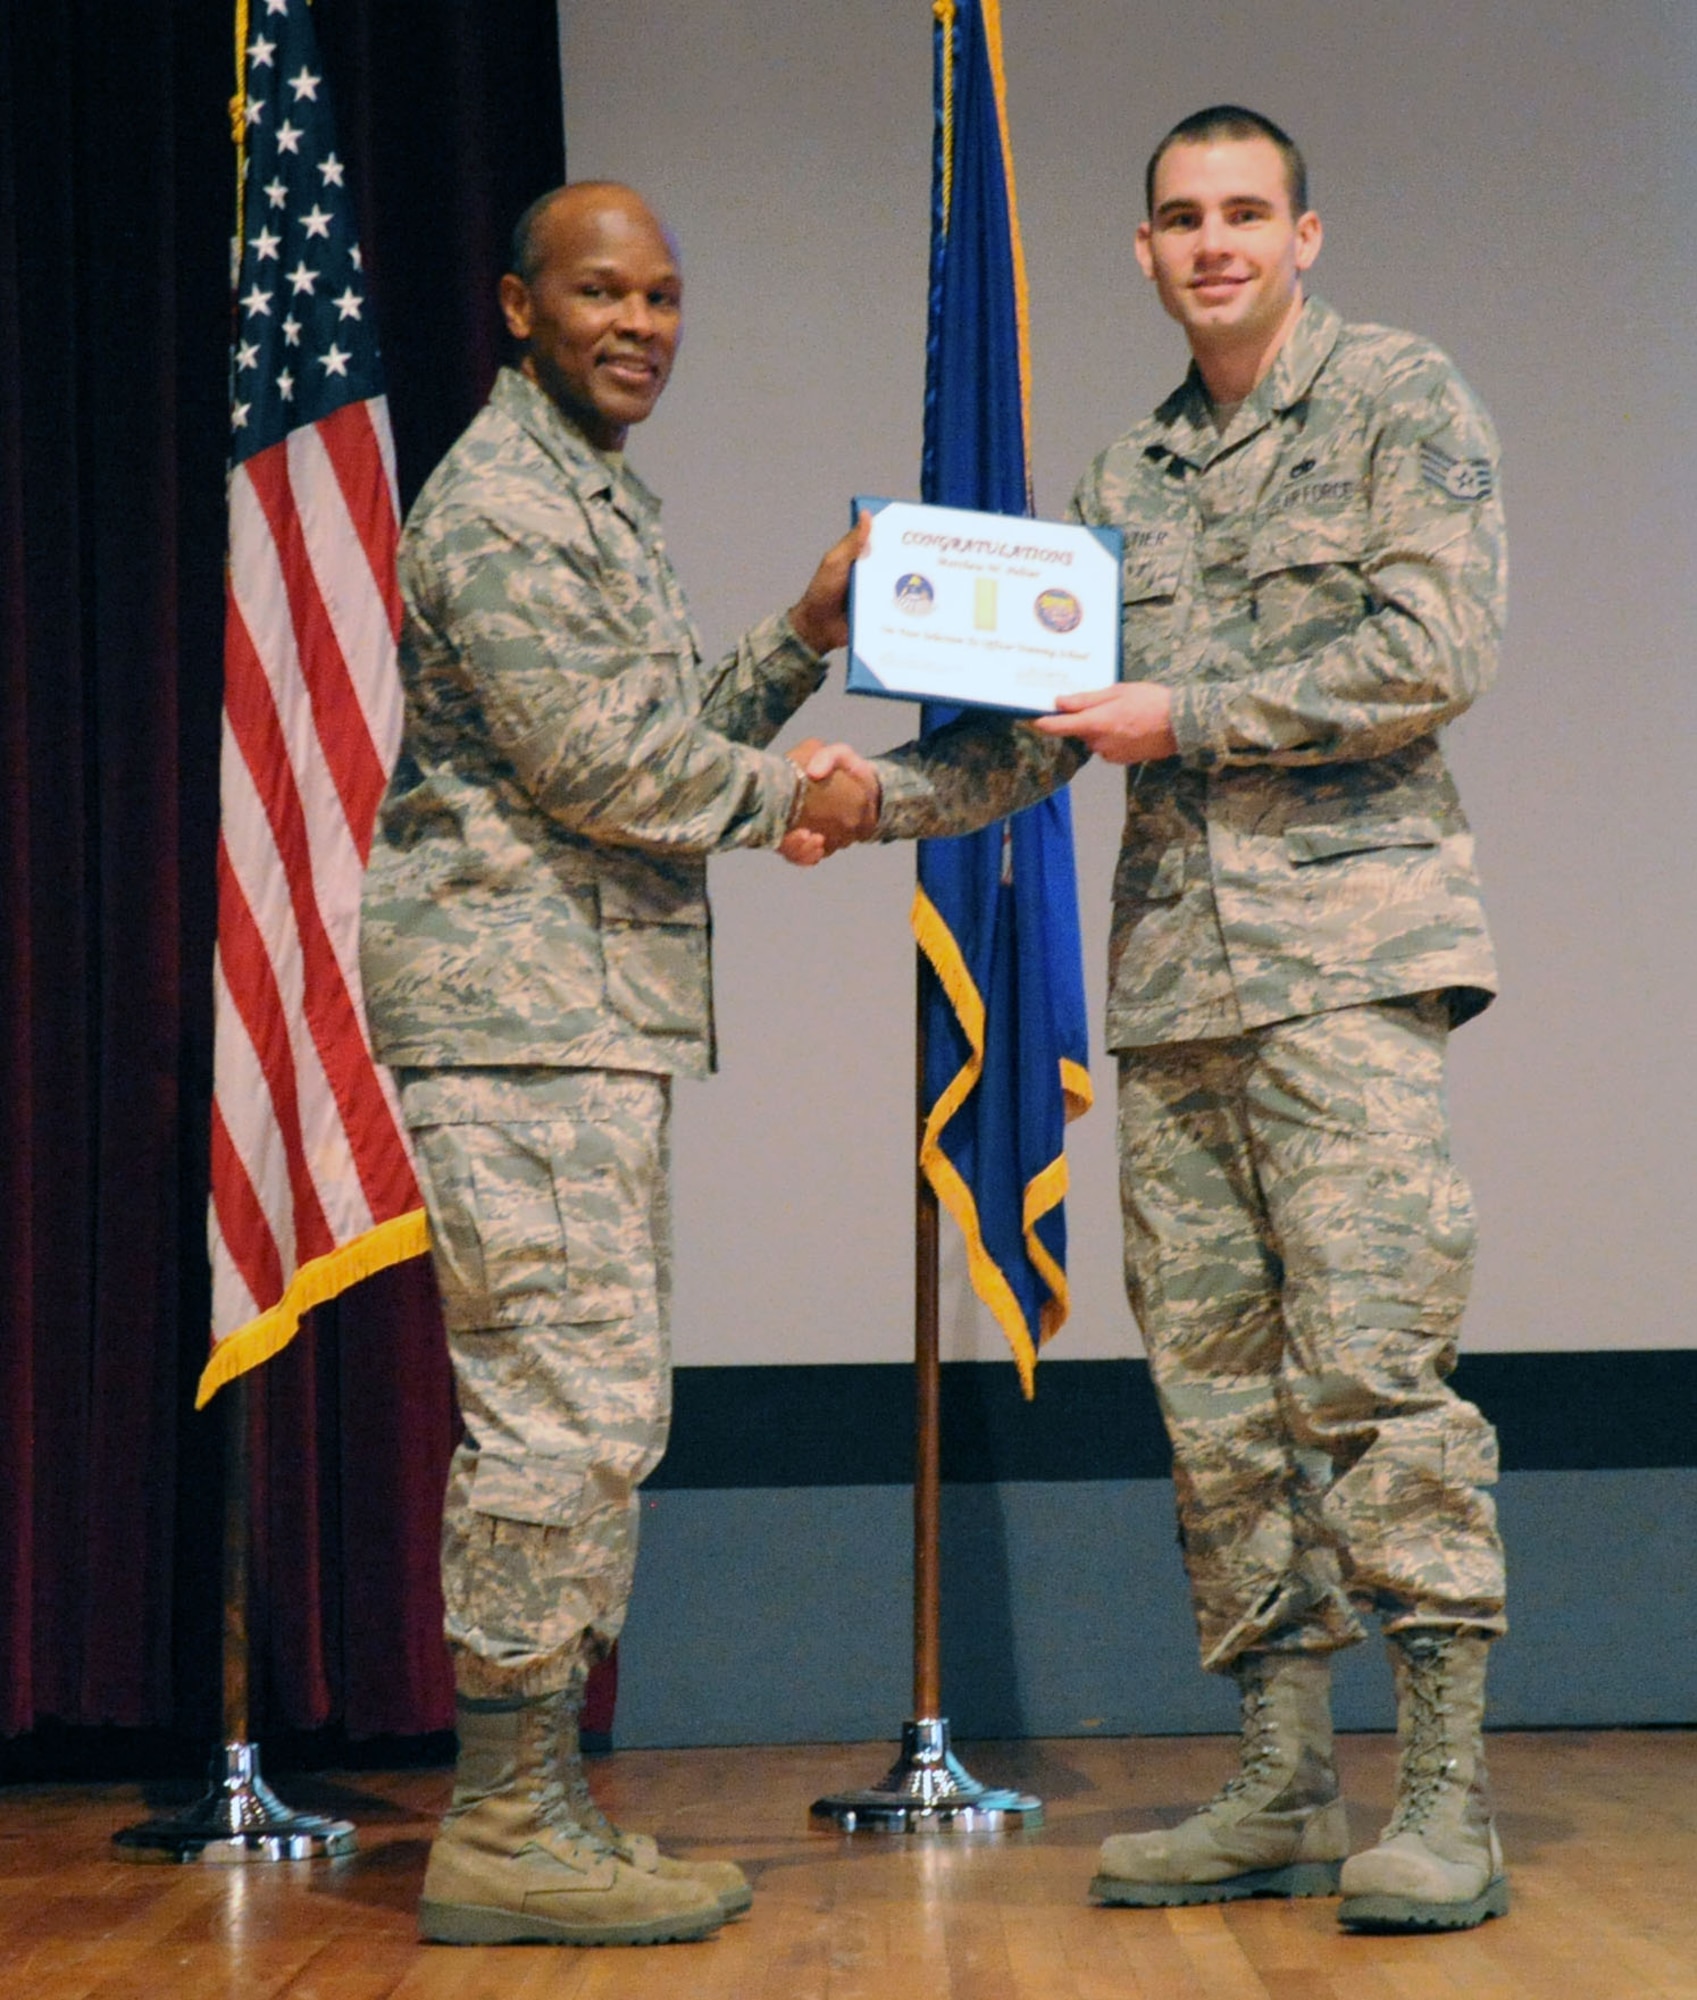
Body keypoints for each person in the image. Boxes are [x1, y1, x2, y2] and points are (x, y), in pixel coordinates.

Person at [809, 104, 1510, 1934]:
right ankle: (1278, 1779)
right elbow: (1031, 731)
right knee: (1216, 1405)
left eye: (1246, 213)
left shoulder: (1393, 400)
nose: (1213, 243)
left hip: (1346, 968)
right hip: (1176, 994)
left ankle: (1442, 1800)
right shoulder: (1126, 475)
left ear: (1304, 234)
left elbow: (1434, 647)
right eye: (1182, 219)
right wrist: (855, 798)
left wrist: (1179, 709)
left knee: (1371, 1377)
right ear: (1142, 253)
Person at [359, 180, 875, 1948]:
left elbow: (658, 742)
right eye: (599, 293)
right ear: (518, 308)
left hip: (577, 1022)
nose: (638, 324)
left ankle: (544, 1807)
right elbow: (607, 775)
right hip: (515, 1025)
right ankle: (504, 1822)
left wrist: (802, 640)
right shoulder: (502, 503)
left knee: (597, 1416)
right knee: (554, 1422)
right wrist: (834, 802)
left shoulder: (592, 499)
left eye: (662, 294)